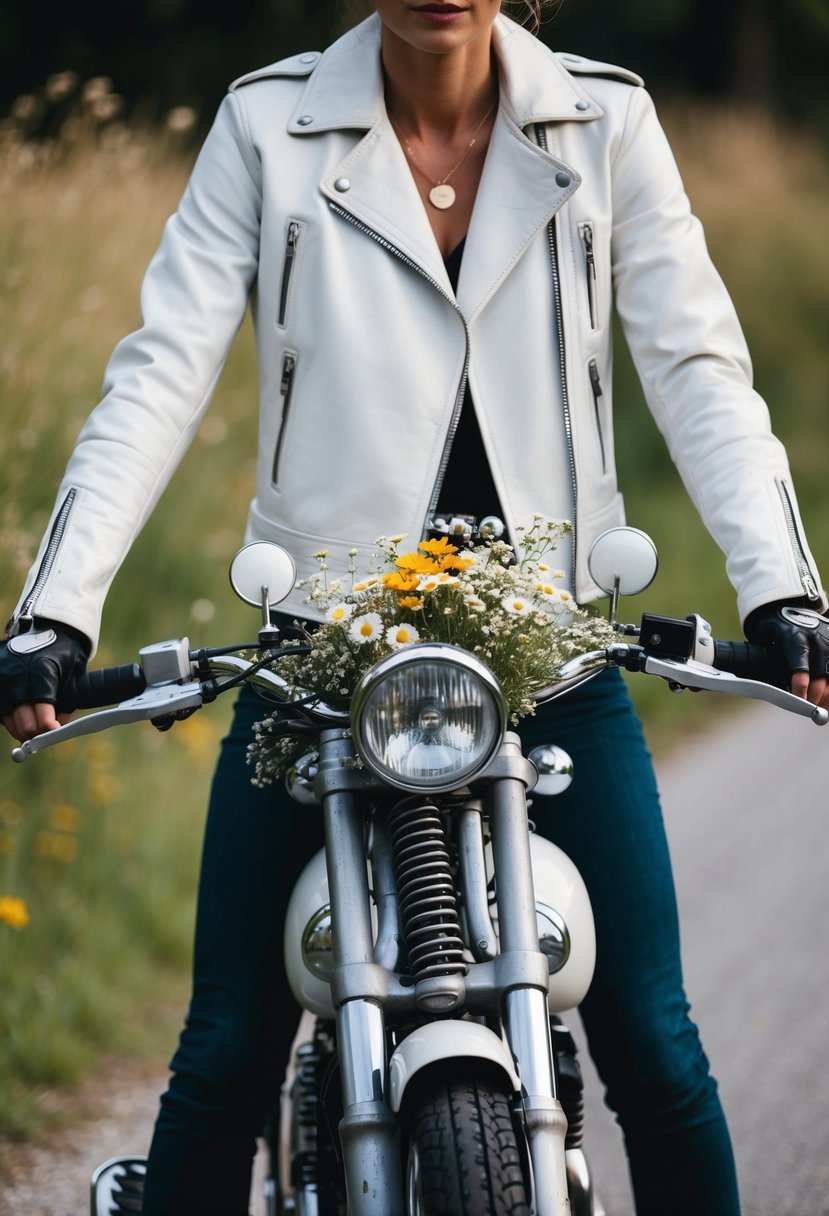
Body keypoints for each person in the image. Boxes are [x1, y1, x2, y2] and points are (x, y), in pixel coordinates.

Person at [2, 2, 828, 1213]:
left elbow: (697, 368)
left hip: (548, 648)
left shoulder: (609, 122)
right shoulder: (265, 125)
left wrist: (783, 586)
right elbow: (160, 369)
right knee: (226, 1044)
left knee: (653, 1040)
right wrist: (56, 613)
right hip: (321, 655)